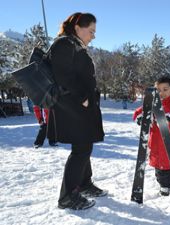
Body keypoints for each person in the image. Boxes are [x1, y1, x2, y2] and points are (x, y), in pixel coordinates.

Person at [46, 12, 106, 210]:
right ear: (78, 27)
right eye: (91, 31)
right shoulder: (64, 44)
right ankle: (67, 196)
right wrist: (83, 97)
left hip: (79, 106)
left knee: (84, 146)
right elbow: (63, 75)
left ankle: (84, 184)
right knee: (81, 149)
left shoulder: (74, 44)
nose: (93, 36)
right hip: (73, 107)